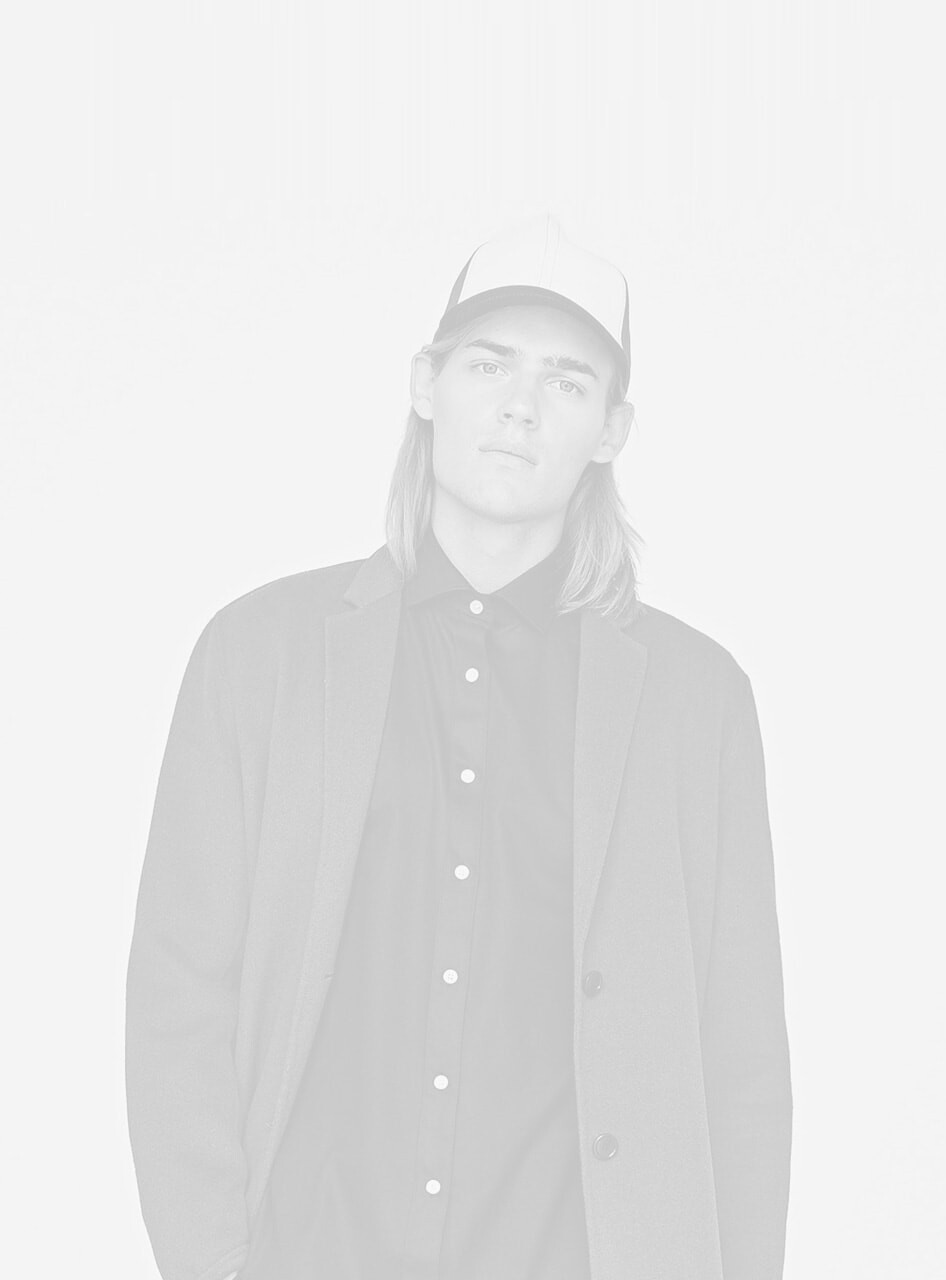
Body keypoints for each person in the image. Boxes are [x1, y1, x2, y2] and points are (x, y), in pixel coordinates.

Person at [125, 214, 792, 1280]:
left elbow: (742, 1054)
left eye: (568, 381)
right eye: (490, 364)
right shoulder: (259, 656)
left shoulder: (695, 700)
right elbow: (179, 996)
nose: (522, 405)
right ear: (425, 385)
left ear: (612, 429)